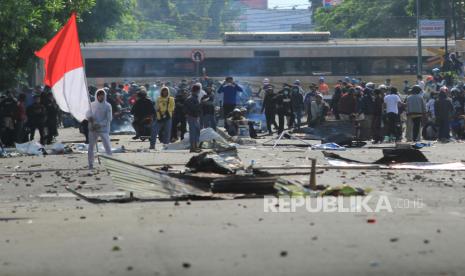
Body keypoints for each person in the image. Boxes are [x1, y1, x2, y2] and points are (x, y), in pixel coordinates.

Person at [86, 89, 113, 170]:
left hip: (103, 129)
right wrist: (90, 118)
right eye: (99, 95)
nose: (100, 97)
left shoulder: (108, 106)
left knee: (107, 146)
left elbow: (109, 118)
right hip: (93, 129)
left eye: (102, 95)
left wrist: (99, 124)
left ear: (104, 96)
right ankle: (90, 164)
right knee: (91, 147)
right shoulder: (92, 104)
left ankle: (110, 164)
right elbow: (87, 114)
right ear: (96, 96)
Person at [184, 85, 202, 153]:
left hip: (195, 117)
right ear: (197, 90)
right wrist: (201, 104)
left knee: (196, 132)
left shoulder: (194, 97)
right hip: (192, 117)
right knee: (193, 132)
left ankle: (195, 147)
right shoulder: (191, 98)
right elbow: (193, 108)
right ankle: (192, 148)